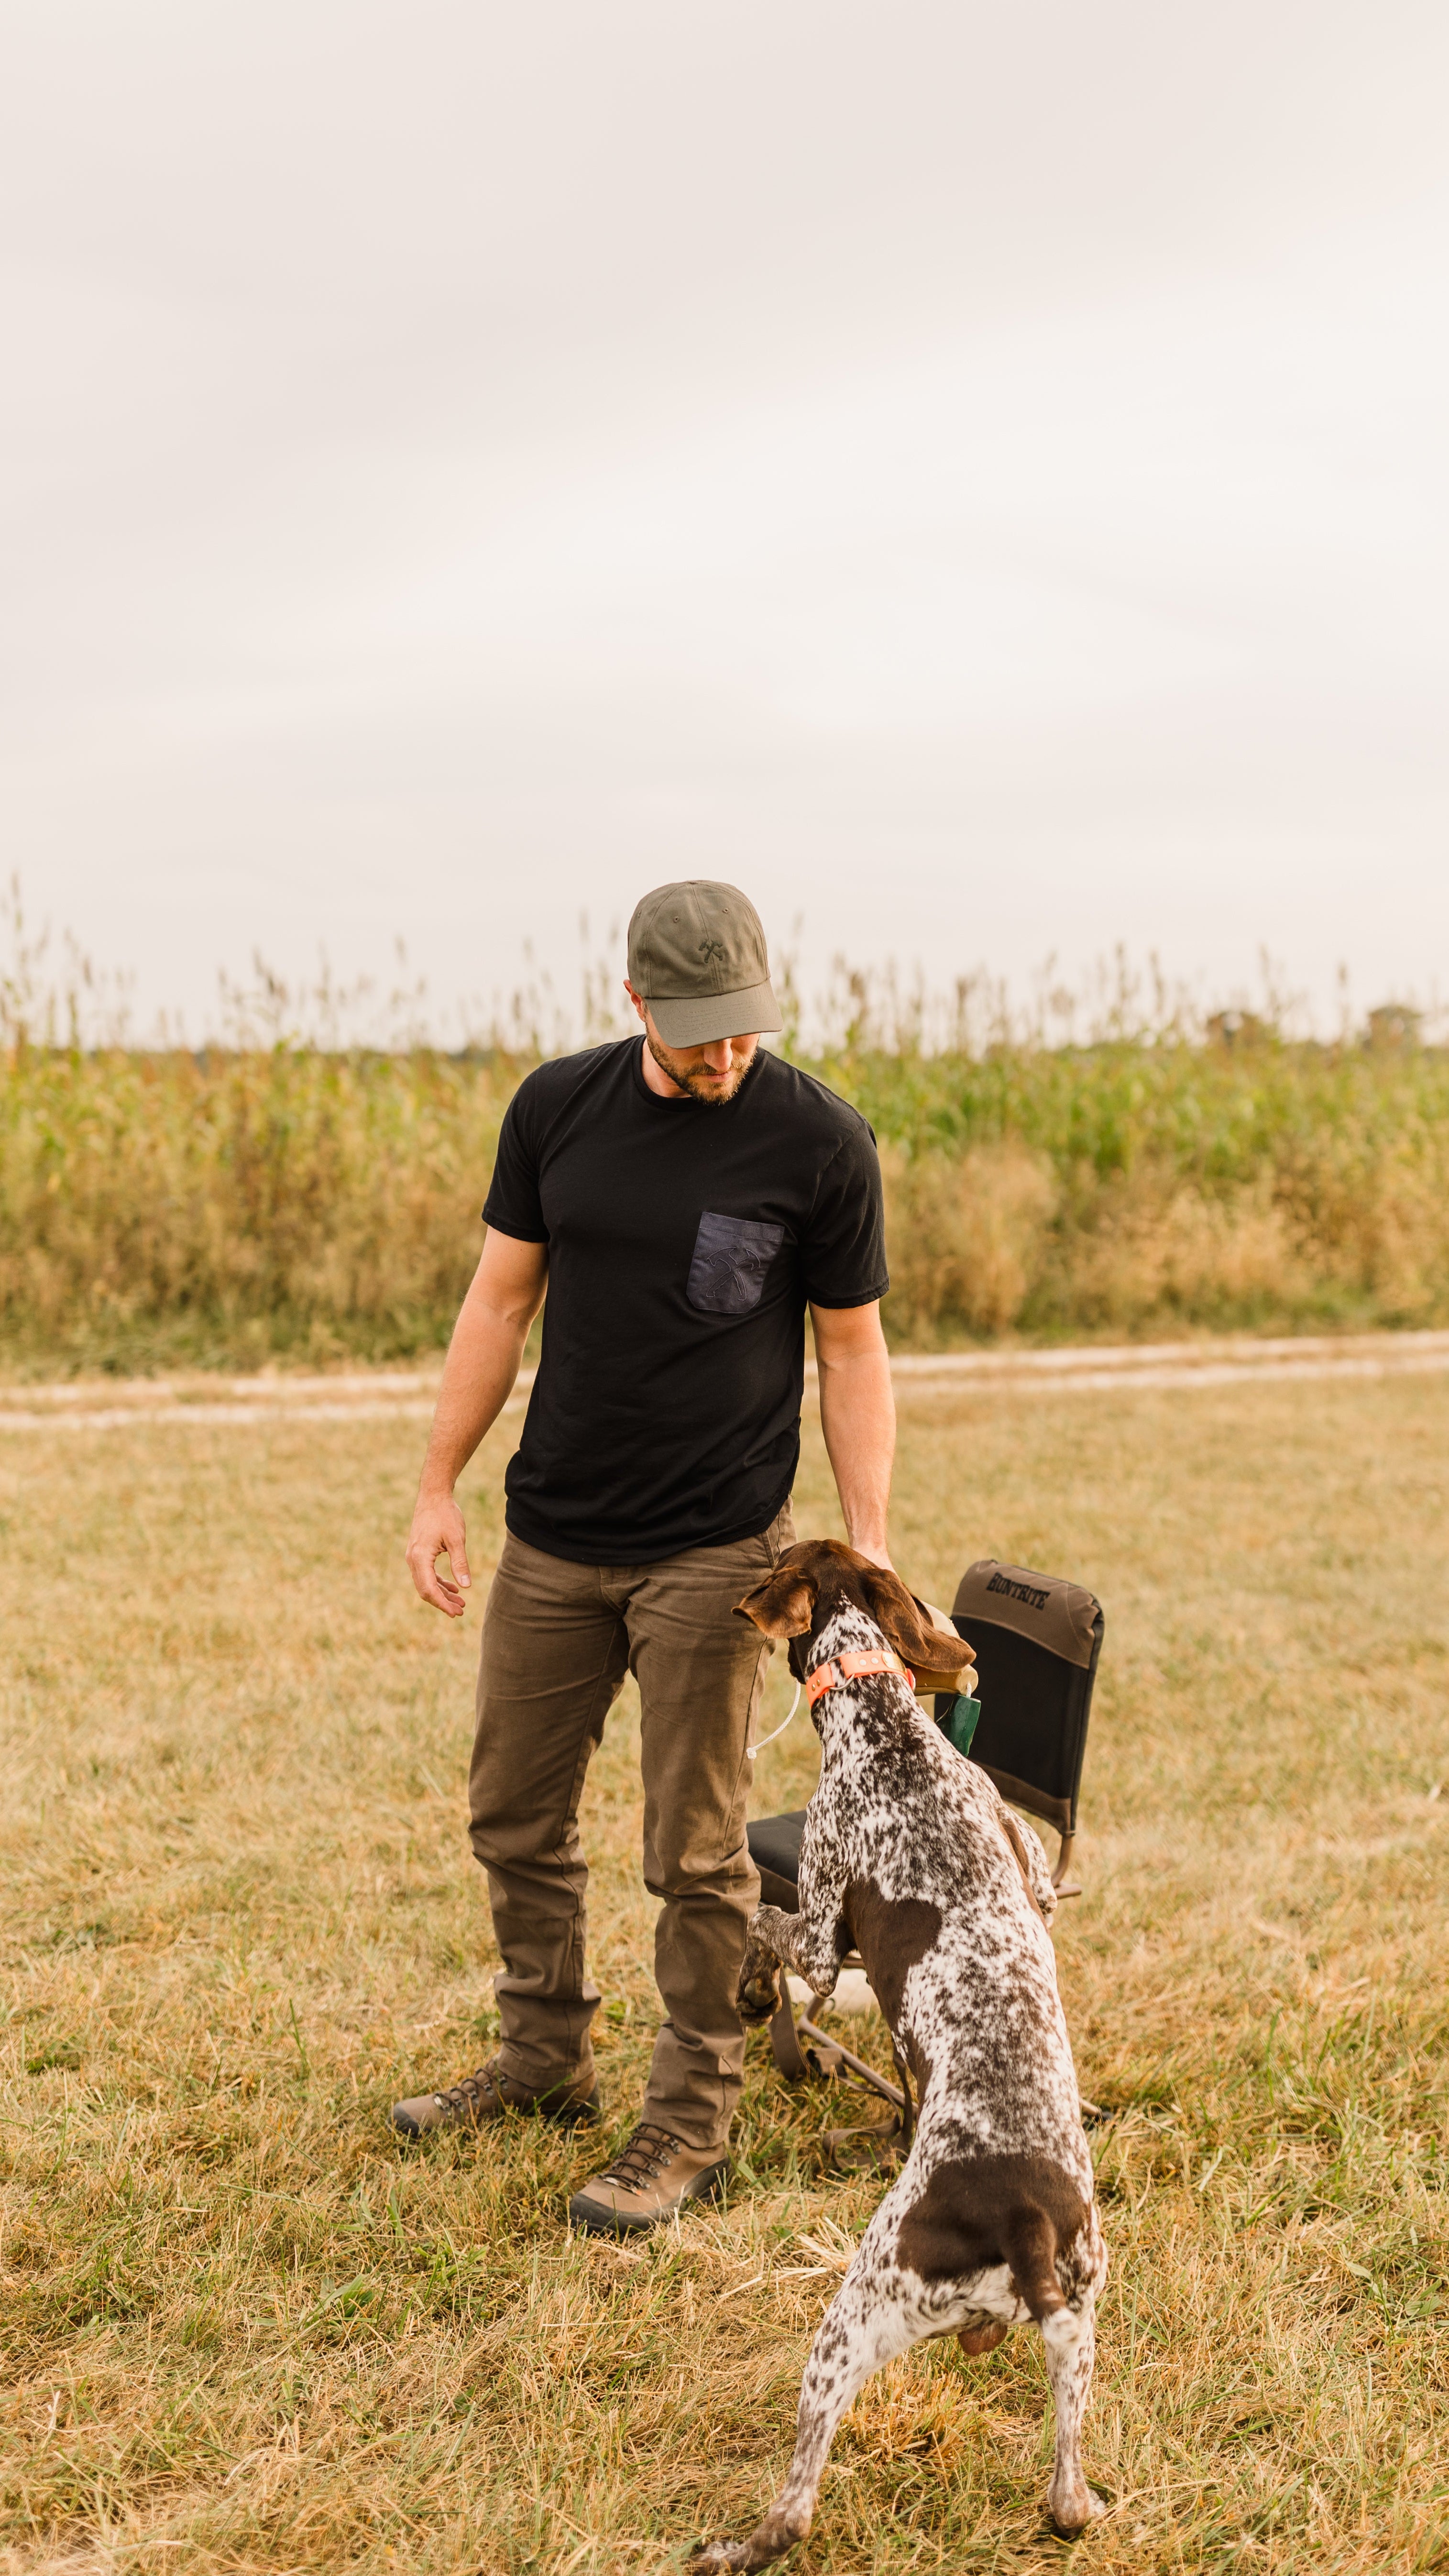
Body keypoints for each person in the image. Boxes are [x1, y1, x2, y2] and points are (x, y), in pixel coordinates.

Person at [395, 880, 895, 2236]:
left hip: (716, 1546)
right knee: (512, 1813)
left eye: (745, 1028)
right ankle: (543, 2056)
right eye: (698, 1033)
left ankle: (689, 2120)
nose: (727, 1055)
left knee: (694, 1848)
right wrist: (437, 1485)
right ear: (635, 1003)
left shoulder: (819, 1140)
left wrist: (868, 1545)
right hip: (554, 1536)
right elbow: (499, 1301)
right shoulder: (556, 1109)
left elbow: (851, 1351)